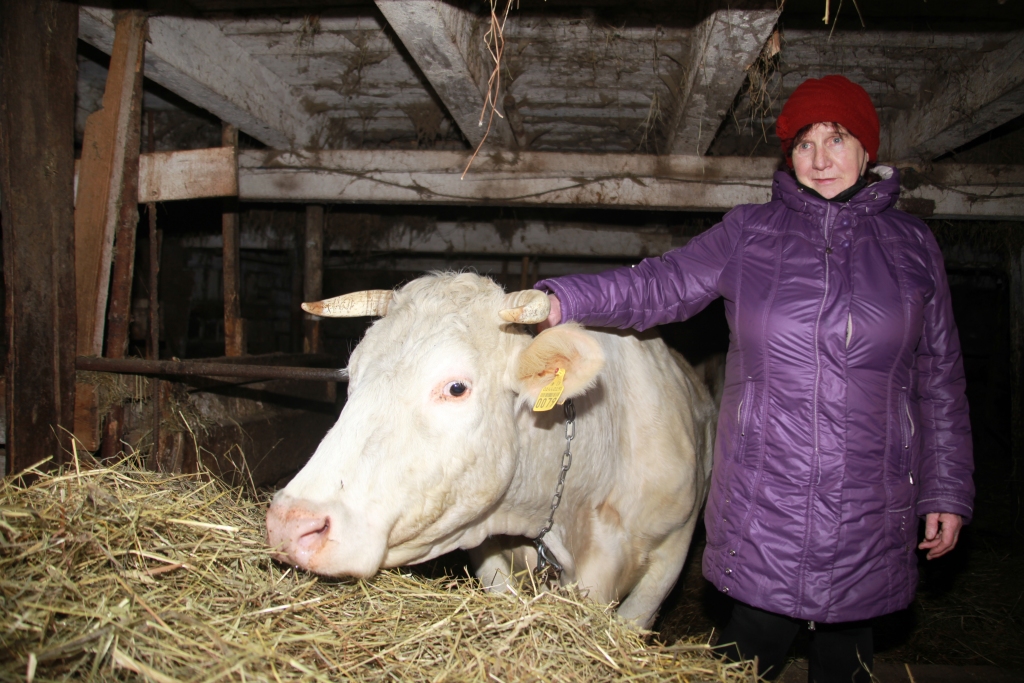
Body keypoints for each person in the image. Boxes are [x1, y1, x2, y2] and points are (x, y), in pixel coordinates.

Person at [533, 75, 974, 682]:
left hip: (873, 501)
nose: (820, 159)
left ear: (867, 151)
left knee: (845, 662)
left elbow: (940, 377)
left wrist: (947, 490)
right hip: (769, 501)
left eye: (837, 139)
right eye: (804, 144)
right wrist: (562, 301)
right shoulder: (750, 233)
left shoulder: (913, 248)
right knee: (746, 658)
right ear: (788, 156)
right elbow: (658, 284)